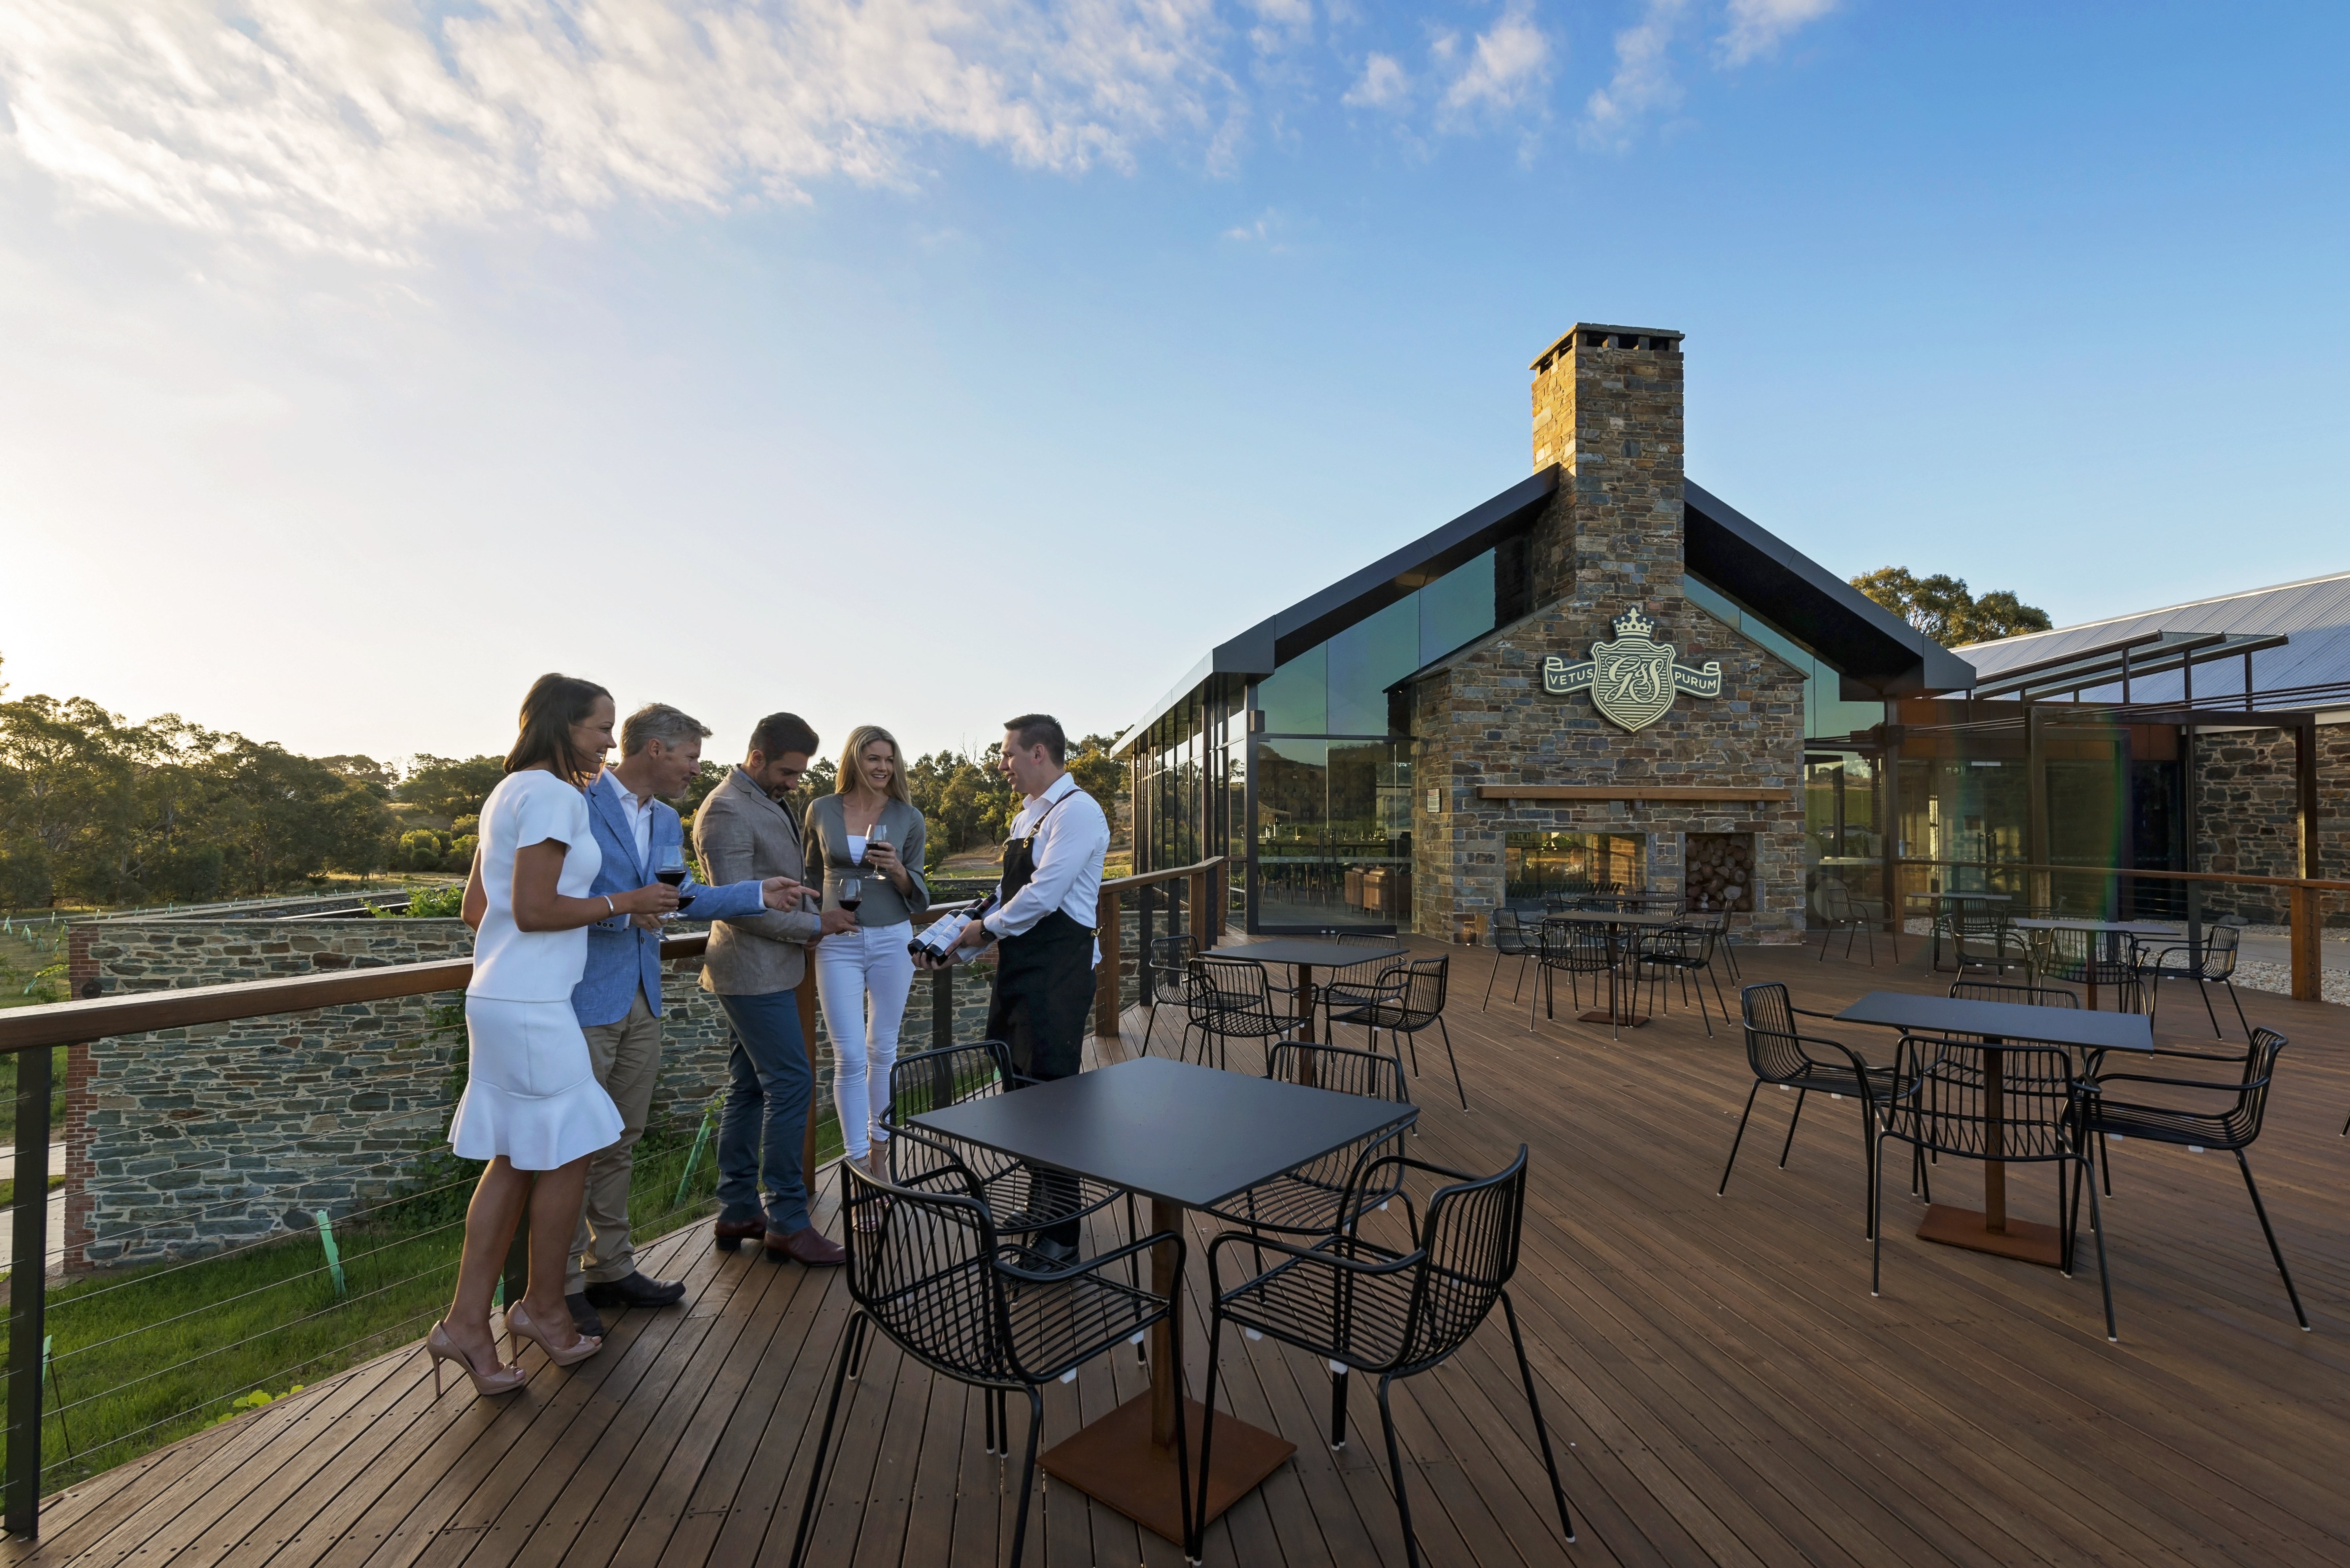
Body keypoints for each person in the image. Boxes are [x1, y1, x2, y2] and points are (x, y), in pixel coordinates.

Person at [431, 674, 685, 1397]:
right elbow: (535, 909)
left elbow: (477, 907)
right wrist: (624, 902)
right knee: (570, 1149)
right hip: (537, 1004)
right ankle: (539, 1308)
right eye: (601, 726)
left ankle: (467, 1324)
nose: (611, 739)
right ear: (564, 726)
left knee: (515, 1158)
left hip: (502, 996)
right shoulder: (553, 795)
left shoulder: (507, 790)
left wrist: (531, 946)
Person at [564, 702, 807, 1337]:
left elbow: (680, 895)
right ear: (655, 751)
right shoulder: (576, 804)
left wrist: (758, 893)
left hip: (642, 996)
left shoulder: (667, 818)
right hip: (585, 998)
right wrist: (623, 912)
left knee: (621, 1140)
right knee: (570, 1148)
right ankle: (559, 1286)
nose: (697, 770)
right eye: (691, 758)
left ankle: (609, 1267)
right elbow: (552, 897)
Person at [931, 712, 1109, 1263]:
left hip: (1057, 976)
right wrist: (956, 941)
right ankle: (1041, 1205)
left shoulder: (1078, 812)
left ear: (1039, 753)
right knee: (1021, 1092)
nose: (1001, 764)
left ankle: (1063, 1238)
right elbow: (1007, 895)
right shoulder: (1025, 819)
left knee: (1051, 1101)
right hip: (1021, 974)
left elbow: (1045, 895)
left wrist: (986, 929)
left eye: (1008, 754)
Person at [692, 712, 855, 1267]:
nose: (794, 782)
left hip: (771, 971)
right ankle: (787, 1219)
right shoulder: (725, 810)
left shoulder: (765, 798)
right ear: (756, 757)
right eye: (787, 771)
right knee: (792, 1084)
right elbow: (738, 906)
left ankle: (738, 1208)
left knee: (749, 1089)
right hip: (749, 974)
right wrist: (816, 926)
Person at [802, 726, 928, 1196]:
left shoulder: (908, 817)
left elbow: (918, 894)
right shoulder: (820, 810)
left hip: (893, 937)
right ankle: (857, 1168)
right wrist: (810, 925)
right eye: (874, 759)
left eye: (890, 761)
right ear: (855, 760)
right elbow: (809, 875)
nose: (883, 768)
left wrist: (897, 870)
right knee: (850, 1057)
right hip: (838, 940)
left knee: (883, 1051)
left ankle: (881, 1158)